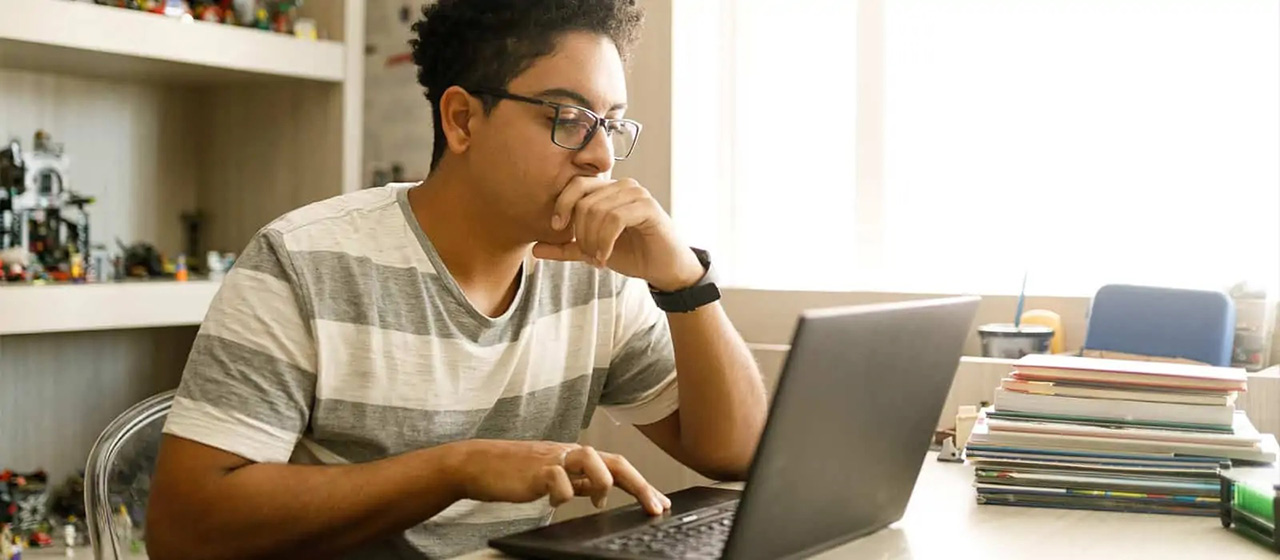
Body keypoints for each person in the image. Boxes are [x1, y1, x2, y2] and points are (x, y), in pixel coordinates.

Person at [144, 0, 768, 558]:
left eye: (611, 123)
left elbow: (733, 453)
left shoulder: (595, 275)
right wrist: (456, 469)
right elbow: (184, 530)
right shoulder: (304, 262)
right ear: (463, 120)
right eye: (569, 117)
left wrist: (683, 279)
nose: (600, 156)